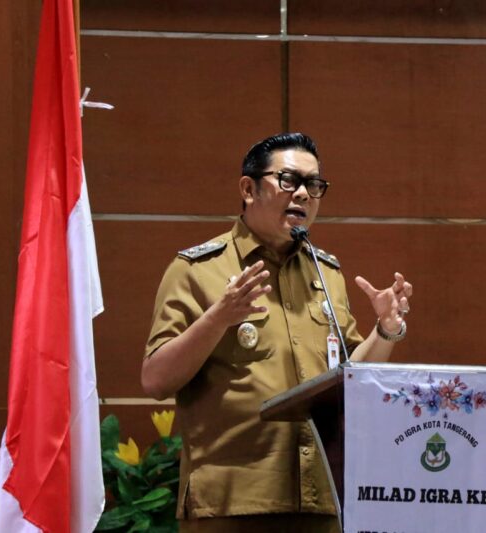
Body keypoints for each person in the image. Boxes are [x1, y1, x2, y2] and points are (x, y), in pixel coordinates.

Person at [141, 133, 412, 533]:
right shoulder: (197, 270)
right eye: (289, 180)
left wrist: (385, 330)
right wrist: (218, 318)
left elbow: (352, 379)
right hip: (231, 503)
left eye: (313, 184)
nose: (303, 193)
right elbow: (156, 380)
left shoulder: (326, 274)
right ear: (248, 189)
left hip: (321, 498)